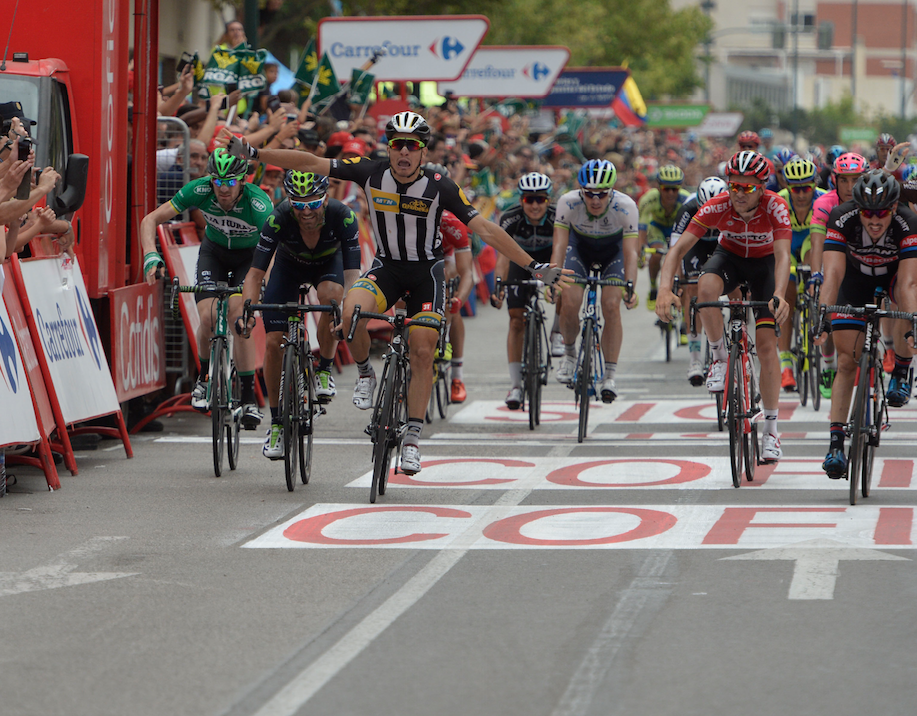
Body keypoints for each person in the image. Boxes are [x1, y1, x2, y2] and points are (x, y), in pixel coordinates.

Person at [215, 111, 570, 475]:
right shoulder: (371, 171)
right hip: (386, 268)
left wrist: (534, 266)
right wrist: (255, 154)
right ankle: (366, 373)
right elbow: (309, 162)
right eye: (397, 145)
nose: (403, 153)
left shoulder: (439, 184)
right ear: (389, 147)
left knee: (422, 349)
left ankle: (413, 439)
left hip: (425, 273)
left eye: (411, 146)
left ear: (422, 151)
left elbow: (488, 230)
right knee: (349, 311)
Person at [655, 150, 792, 462]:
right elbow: (676, 251)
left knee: (768, 347)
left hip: (764, 267)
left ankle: (771, 432)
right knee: (704, 285)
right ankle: (718, 357)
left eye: (746, 188)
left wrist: (780, 293)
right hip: (730, 258)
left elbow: (783, 255)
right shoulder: (718, 205)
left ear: (761, 186)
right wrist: (664, 289)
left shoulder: (775, 206)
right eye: (734, 186)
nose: (738, 194)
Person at [140, 148, 273, 430]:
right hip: (213, 253)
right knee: (209, 318)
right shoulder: (199, 190)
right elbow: (149, 220)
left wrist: (265, 283)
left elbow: (272, 250)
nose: (223, 189)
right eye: (217, 181)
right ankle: (203, 379)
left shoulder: (258, 203)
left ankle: (248, 398)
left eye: (231, 182)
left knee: (241, 320)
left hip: (249, 258)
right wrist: (151, 254)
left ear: (243, 181)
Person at [239, 171, 361, 459]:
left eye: (313, 203)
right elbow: (255, 273)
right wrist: (247, 309)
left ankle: (323, 370)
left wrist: (347, 311)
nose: (306, 211)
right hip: (288, 267)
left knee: (331, 296)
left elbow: (353, 276)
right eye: (298, 204)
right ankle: (277, 422)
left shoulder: (343, 217)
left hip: (328, 264)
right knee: (272, 344)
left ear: (326, 198)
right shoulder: (278, 218)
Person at [817, 170, 917, 478]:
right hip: (854, 279)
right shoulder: (840, 217)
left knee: (904, 306)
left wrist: (913, 324)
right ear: (857, 209)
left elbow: (909, 282)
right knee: (848, 362)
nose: (874, 220)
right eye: (867, 213)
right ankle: (835, 444)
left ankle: (901, 369)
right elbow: (832, 275)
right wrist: (822, 315)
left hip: (893, 279)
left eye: (881, 213)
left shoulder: (906, 222)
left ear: (893, 209)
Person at [551, 159, 639, 403]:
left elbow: (631, 252)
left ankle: (609, 375)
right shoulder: (567, 202)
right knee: (569, 300)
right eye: (589, 194)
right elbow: (559, 245)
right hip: (578, 251)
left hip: (613, 254)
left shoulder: (626, 206)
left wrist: (630, 285)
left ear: (612, 190)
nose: (595, 200)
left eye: (602, 194)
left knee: (611, 305)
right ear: (581, 190)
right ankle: (569, 355)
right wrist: (552, 278)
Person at [492, 172, 557, 409]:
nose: (536, 205)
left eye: (540, 199)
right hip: (520, 264)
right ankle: (517, 385)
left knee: (565, 288)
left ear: (548, 200)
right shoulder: (510, 218)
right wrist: (499, 285)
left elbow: (565, 252)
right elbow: (502, 256)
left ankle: (558, 332)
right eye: (530, 200)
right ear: (521, 201)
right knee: (516, 320)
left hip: (551, 260)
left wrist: (554, 284)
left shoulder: (557, 216)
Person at [807, 151, 869, 397]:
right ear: (834, 180)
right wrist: (815, 274)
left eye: (855, 180)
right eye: (844, 180)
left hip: (864, 261)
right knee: (830, 308)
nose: (850, 186)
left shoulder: (873, 199)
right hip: (834, 258)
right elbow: (817, 243)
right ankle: (829, 364)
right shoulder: (824, 203)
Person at [669, 175, 728, 385]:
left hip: (722, 244)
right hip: (696, 243)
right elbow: (675, 250)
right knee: (693, 291)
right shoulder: (688, 209)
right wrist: (677, 280)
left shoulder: (733, 207)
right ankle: (695, 359)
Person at [776, 157, 826, 392]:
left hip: (809, 243)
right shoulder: (779, 202)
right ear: (787, 186)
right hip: (787, 245)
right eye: (795, 188)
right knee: (786, 294)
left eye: (806, 187)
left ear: (814, 185)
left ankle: (811, 305)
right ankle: (786, 363)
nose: (801, 193)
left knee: (811, 255)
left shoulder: (823, 200)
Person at [637, 164, 689, 310]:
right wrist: (641, 249)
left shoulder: (686, 199)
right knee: (657, 253)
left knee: (680, 260)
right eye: (666, 189)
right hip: (657, 227)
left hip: (677, 229)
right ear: (659, 187)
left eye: (675, 189)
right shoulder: (648, 199)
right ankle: (653, 287)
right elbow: (642, 227)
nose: (671, 193)